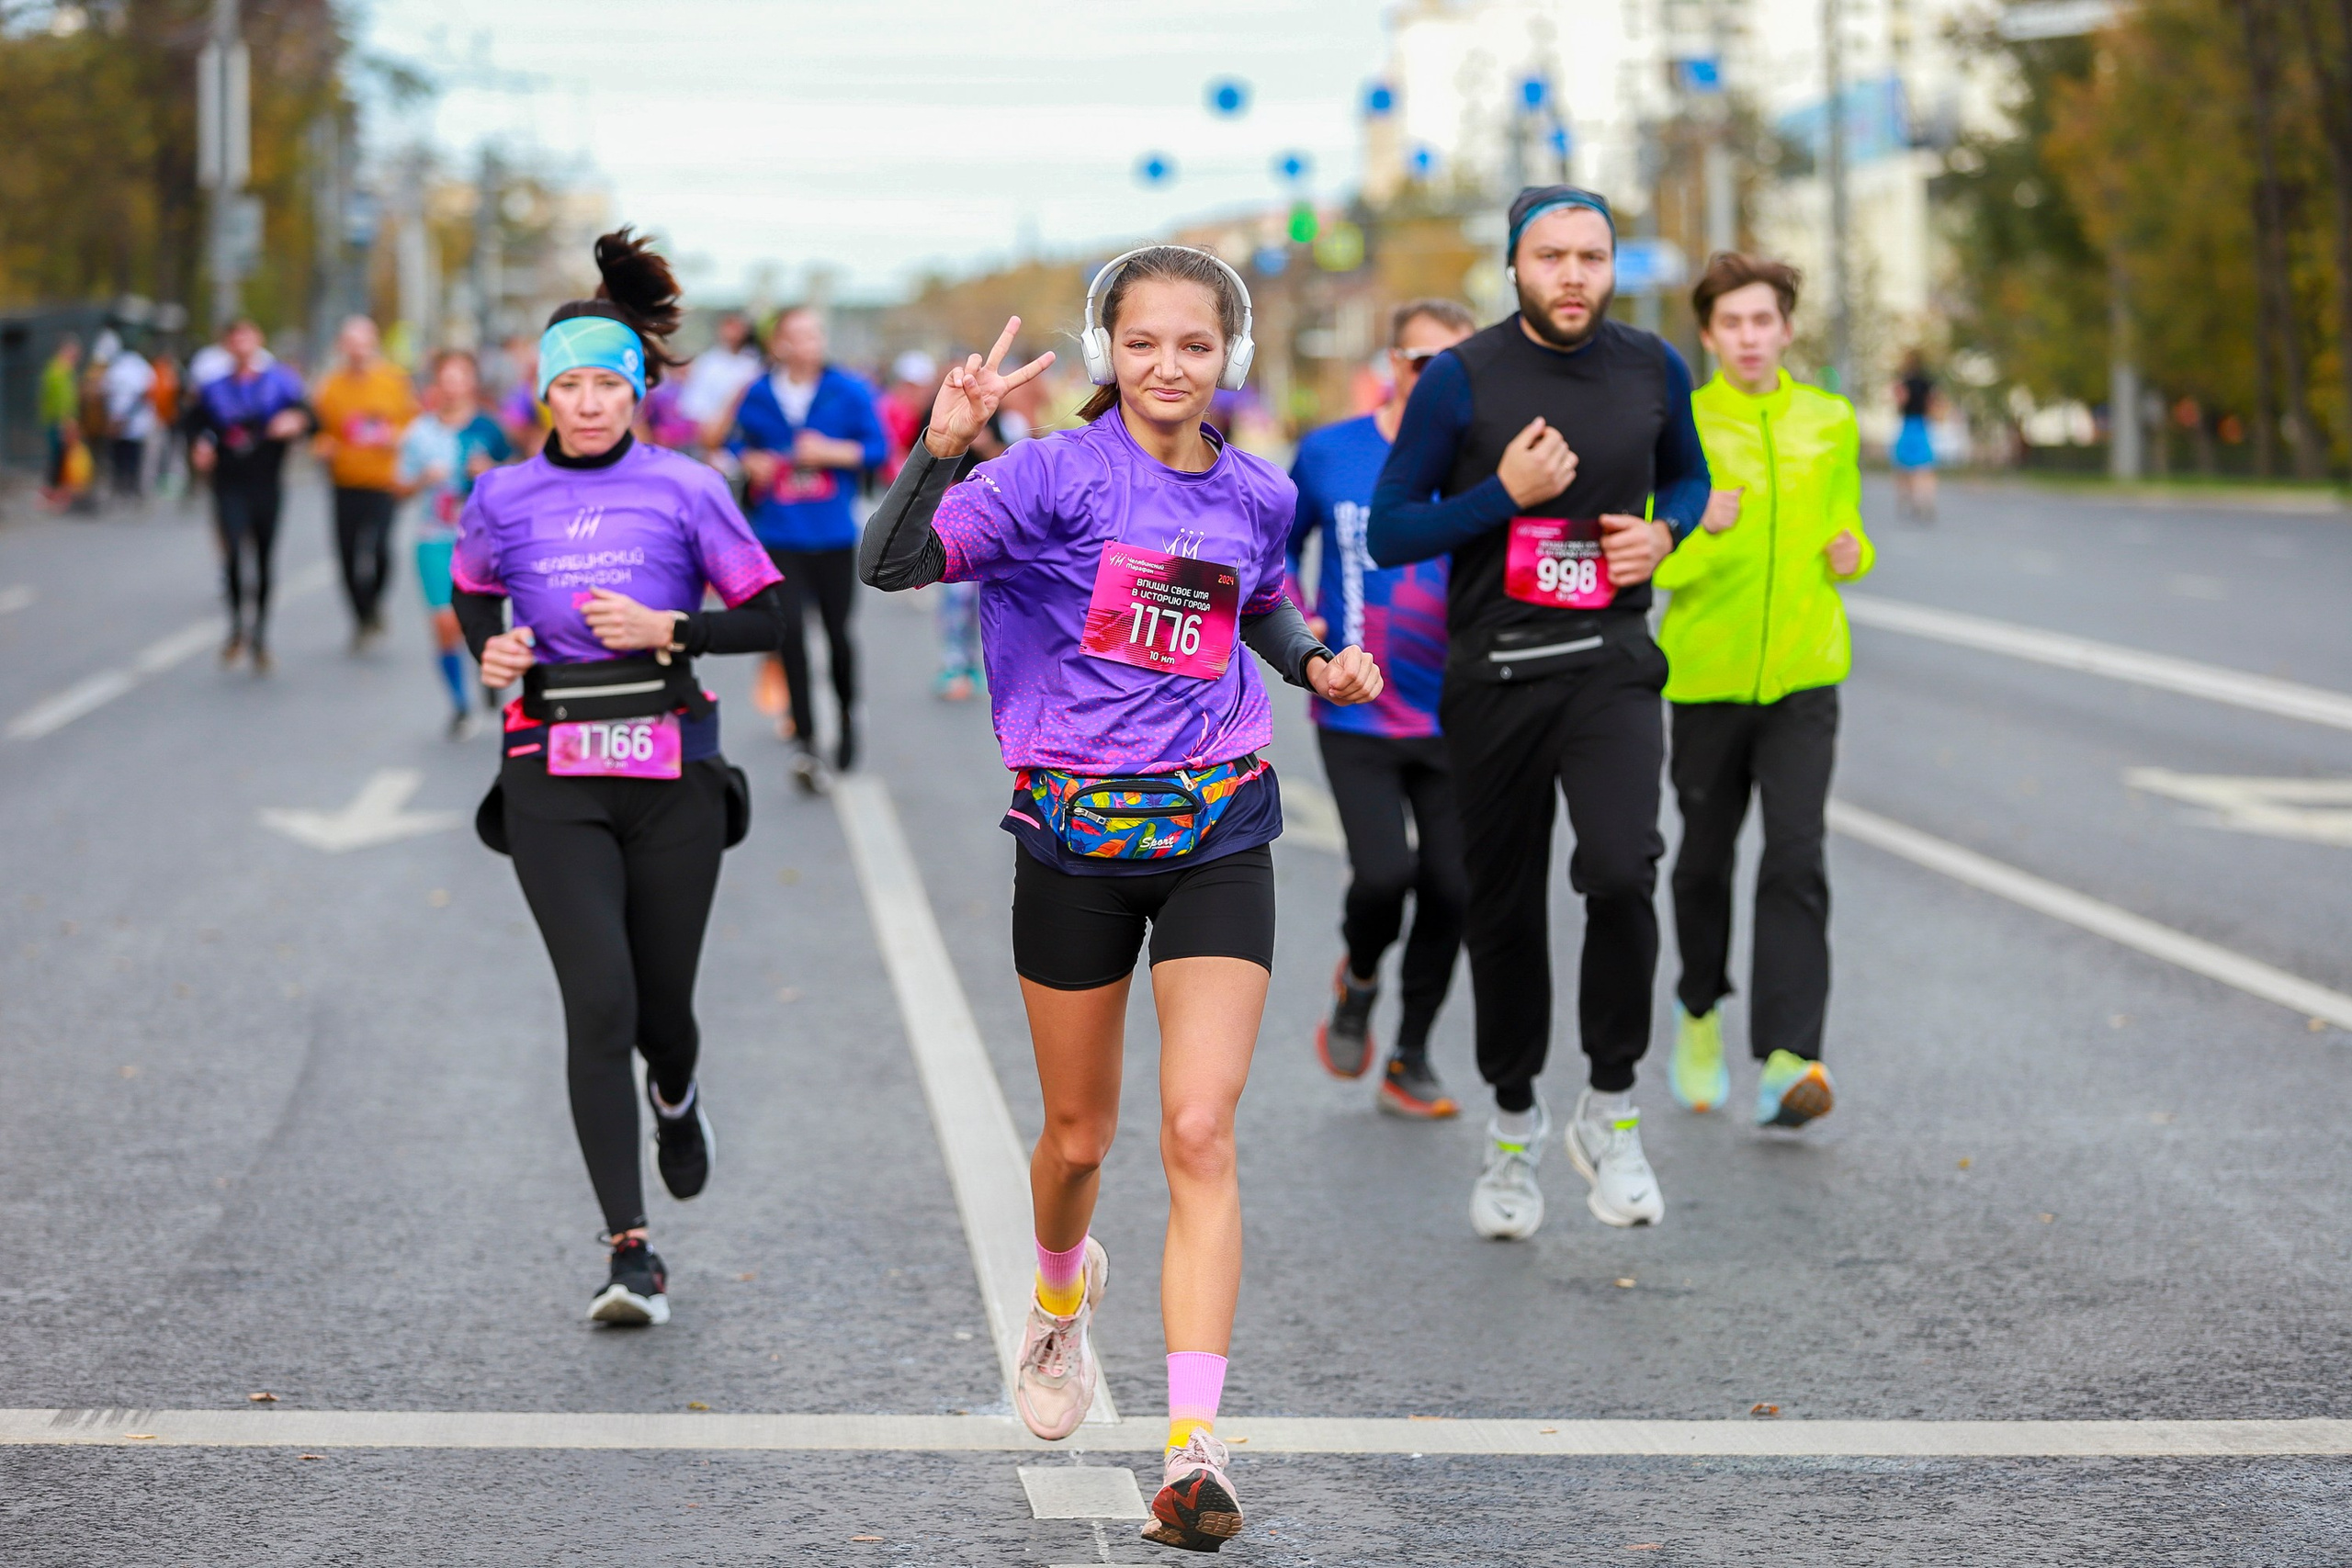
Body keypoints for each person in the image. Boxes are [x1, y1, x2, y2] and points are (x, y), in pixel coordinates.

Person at [860, 251, 1382, 1552]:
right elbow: (892, 562)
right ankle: (1057, 1291)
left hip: (1220, 822)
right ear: (1108, 353)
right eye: (1142, 342)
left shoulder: (1257, 490)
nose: (1167, 365)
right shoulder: (1045, 476)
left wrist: (1320, 657)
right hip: (1075, 835)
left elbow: (1262, 603)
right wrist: (940, 447)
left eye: (1194, 345)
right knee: (1080, 1139)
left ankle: (1195, 1446)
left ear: (1230, 358)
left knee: (1200, 1126)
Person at [451, 230, 786, 1326]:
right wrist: (489, 650)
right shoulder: (500, 497)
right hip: (551, 769)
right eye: (569, 385)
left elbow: (768, 615)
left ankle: (677, 1096)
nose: (588, 402)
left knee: (662, 1011)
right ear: (542, 394)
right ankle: (629, 1251)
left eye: (607, 383)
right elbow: (472, 593)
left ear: (636, 390)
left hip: (671, 770)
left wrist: (668, 627)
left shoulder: (688, 489)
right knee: (597, 1000)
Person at [1368, 186, 1710, 1242]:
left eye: (1592, 257)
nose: (1572, 276)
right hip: (1496, 675)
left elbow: (1687, 479)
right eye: (1550, 256)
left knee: (1619, 868)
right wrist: (1502, 497)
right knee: (1503, 909)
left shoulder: (1652, 367)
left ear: (1614, 267)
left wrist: (1667, 538)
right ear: (1513, 267)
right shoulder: (1463, 379)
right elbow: (1389, 532)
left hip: (1609, 663)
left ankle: (1610, 1104)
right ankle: (1513, 1120)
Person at [1657, 254, 1872, 1129]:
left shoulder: (1831, 420)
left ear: (1787, 327)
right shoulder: (1681, 426)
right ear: (1709, 335)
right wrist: (1702, 528)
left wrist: (1857, 551)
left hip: (1805, 672)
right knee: (1704, 861)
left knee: (1795, 856)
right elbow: (1652, 553)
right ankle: (1700, 1009)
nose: (1749, 338)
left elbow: (1846, 524)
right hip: (1705, 676)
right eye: (1731, 324)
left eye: (1764, 321)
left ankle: (1789, 1058)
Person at [1286, 298, 1476, 1118]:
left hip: (1462, 716)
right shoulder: (1332, 453)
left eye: (1460, 364)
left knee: (1453, 889)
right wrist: (1303, 617)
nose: (1438, 378)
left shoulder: (1488, 463)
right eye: (1423, 360)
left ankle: (1411, 1055)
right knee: (1385, 875)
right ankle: (1360, 977)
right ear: (1392, 364)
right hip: (1358, 708)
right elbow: (1276, 551)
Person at [725, 305, 888, 790]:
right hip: (777, 534)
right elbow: (735, 445)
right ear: (780, 342)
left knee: (838, 636)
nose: (808, 343)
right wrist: (748, 459)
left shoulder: (850, 390)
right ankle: (806, 741)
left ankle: (846, 714)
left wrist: (828, 452)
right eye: (797, 334)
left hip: (834, 534)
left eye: (815, 333)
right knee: (789, 634)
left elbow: (878, 450)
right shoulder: (757, 393)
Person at [395, 349, 514, 739]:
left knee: (479, 622)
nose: (454, 385)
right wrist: (423, 480)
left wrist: (491, 472)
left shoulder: (489, 429)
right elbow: (398, 488)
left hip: (482, 540)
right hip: (434, 538)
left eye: (461, 377)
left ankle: (487, 670)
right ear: (436, 385)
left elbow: (520, 478)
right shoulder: (420, 433)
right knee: (445, 624)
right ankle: (460, 706)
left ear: (472, 383)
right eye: (446, 378)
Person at [185, 319, 312, 671]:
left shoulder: (281, 382)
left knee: (264, 558)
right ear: (227, 345)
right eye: (234, 338)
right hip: (229, 482)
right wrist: (199, 446)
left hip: (267, 481)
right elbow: (193, 423)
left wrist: (295, 422)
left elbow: (310, 417)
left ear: (259, 340)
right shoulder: (213, 388)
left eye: (247, 336)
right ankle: (237, 626)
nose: (241, 344)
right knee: (233, 554)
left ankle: (260, 635)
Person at [311, 316, 420, 649]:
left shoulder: (394, 382)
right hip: (345, 481)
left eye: (364, 343)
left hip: (384, 480)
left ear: (374, 344)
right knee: (346, 554)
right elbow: (319, 431)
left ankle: (374, 602)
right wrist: (321, 447)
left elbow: (415, 426)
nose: (358, 350)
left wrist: (396, 437)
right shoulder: (329, 386)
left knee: (379, 549)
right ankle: (361, 616)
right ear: (341, 347)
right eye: (351, 343)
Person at [101, 337, 158, 499]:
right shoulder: (118, 366)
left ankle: (132, 489)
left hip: (133, 422)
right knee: (121, 457)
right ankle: (122, 488)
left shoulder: (138, 367)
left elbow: (145, 395)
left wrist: (124, 416)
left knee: (132, 458)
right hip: (120, 423)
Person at [1892, 349, 1939, 522]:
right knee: (1924, 467)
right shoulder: (1928, 383)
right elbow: (1933, 403)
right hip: (1922, 425)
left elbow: (1900, 401)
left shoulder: (1903, 383)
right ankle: (1925, 499)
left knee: (1904, 467)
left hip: (1908, 425)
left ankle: (1908, 499)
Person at [38, 336, 81, 507]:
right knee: (57, 457)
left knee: (60, 457)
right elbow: (61, 400)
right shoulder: (59, 371)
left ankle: (56, 491)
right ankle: (51, 492)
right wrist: (67, 420)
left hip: (57, 420)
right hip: (58, 421)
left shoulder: (61, 370)